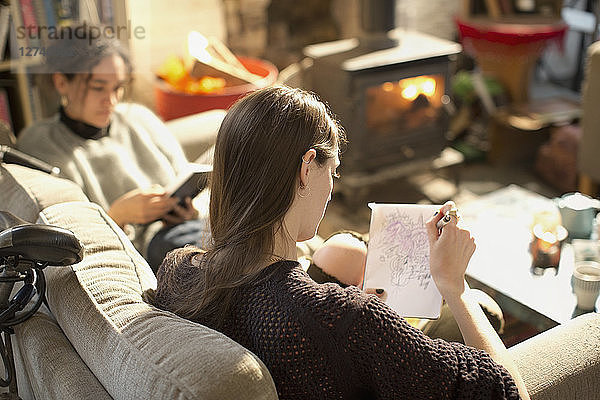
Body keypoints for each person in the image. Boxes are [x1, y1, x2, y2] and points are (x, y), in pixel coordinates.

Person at [150, 85, 529, 399]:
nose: (331, 190)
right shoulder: (343, 318)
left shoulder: (179, 271)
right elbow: (508, 392)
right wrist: (454, 285)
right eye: (331, 172)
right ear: (305, 168)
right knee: (480, 308)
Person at [16, 25, 212, 271]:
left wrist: (189, 211)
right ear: (61, 82)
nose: (111, 100)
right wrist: (117, 216)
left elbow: (186, 176)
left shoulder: (139, 118)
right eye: (98, 87)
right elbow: (61, 238)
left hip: (191, 229)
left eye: (117, 87)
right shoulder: (40, 144)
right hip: (146, 249)